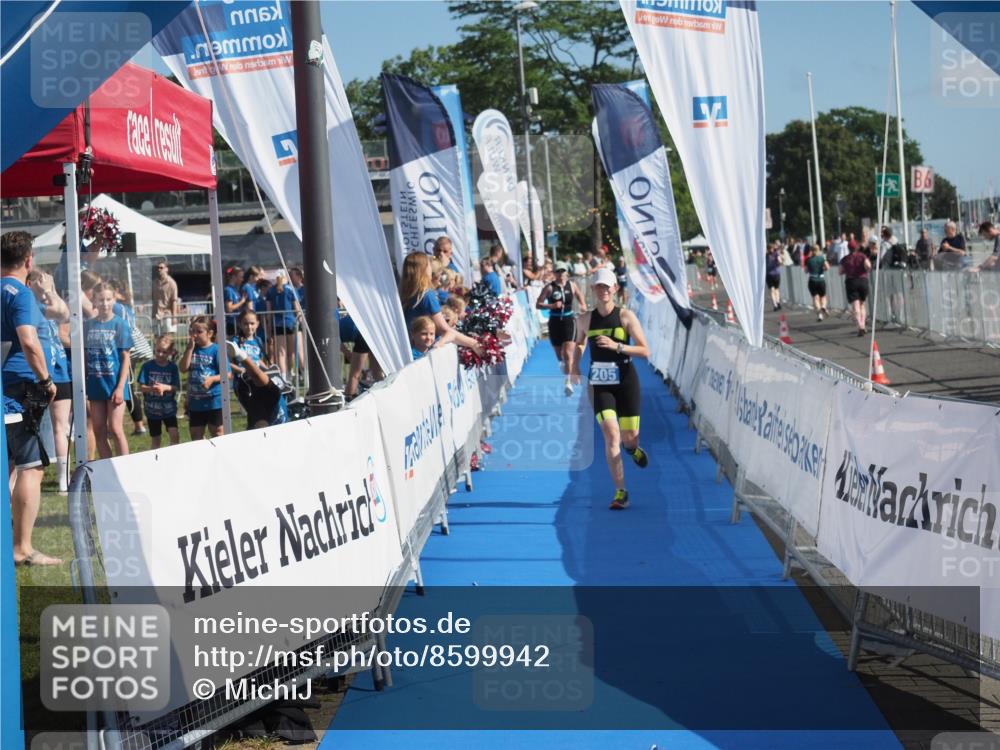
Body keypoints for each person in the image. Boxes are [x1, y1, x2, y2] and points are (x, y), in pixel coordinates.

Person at [2, 231, 61, 566]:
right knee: (31, 467)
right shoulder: (20, 294)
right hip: (21, 388)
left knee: (8, 464)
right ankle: (22, 547)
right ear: (28, 259)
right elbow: (28, 340)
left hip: (5, 386)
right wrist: (46, 380)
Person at [572, 268, 650, 510]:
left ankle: (633, 449)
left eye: (607, 286)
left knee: (629, 438)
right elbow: (579, 344)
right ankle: (620, 492)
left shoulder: (625, 316)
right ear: (593, 290)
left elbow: (645, 350)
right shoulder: (585, 319)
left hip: (626, 380)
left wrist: (618, 346)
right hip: (599, 383)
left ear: (615, 289)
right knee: (611, 435)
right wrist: (574, 366)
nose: (603, 290)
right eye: (599, 286)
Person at [26, 270, 72, 492]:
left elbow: (65, 314)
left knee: (60, 427)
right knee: (30, 428)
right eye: (40, 282)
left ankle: (64, 479)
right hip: (41, 372)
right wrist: (45, 291)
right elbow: (59, 311)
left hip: (60, 370)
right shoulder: (31, 305)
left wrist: (51, 290)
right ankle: (26, 475)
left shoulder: (48, 301)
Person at [399, 252, 483, 357]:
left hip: (407, 352)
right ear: (424, 269)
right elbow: (445, 330)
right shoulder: (426, 295)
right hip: (422, 355)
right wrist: (473, 343)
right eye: (428, 265)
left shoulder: (404, 295)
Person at [84, 283, 133, 458]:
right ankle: (107, 466)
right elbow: (85, 355)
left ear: (114, 300)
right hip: (96, 383)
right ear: (94, 301)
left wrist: (120, 387)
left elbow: (126, 357)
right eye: (101, 299)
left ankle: (124, 466)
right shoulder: (88, 325)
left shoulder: (120, 324)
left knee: (115, 428)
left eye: (108, 299)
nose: (104, 303)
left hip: (114, 383)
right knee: (98, 429)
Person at [228, 311, 288, 429]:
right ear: (240, 324)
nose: (249, 326)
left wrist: (268, 369)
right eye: (245, 324)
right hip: (244, 382)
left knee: (264, 412)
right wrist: (241, 370)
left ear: (257, 324)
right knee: (256, 412)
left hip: (258, 380)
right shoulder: (235, 341)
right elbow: (228, 363)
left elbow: (258, 360)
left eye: (252, 323)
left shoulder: (258, 340)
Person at [536, 262, 586, 396]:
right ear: (554, 273)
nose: (561, 274)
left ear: (566, 272)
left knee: (569, 353)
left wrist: (582, 305)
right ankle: (565, 366)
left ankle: (568, 382)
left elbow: (580, 295)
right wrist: (551, 306)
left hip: (569, 321)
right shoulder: (549, 287)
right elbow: (538, 304)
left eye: (563, 271)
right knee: (560, 355)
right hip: (554, 322)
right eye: (558, 271)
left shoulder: (572, 285)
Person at [180, 316, 224, 440]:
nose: (195, 335)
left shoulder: (216, 350)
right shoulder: (192, 350)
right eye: (192, 331)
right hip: (196, 402)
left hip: (214, 401)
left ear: (210, 333)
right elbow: (183, 368)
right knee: (196, 436)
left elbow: (228, 374)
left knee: (217, 433)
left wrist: (212, 379)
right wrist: (189, 349)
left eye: (199, 332)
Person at [138, 335, 181, 449]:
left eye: (164, 352)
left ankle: (174, 455)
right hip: (152, 410)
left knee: (174, 434)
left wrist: (164, 387)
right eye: (158, 351)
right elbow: (141, 387)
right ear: (154, 349)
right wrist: (152, 389)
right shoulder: (147, 366)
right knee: (156, 439)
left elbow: (176, 387)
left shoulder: (173, 367)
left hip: (169, 410)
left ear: (171, 352)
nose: (160, 354)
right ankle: (155, 458)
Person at [265, 271, 300, 380]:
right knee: (291, 352)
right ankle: (289, 375)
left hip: (277, 324)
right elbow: (297, 309)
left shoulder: (270, 291)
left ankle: (283, 377)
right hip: (290, 323)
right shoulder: (290, 289)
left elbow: (269, 312)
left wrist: (269, 328)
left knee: (281, 353)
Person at [840, 241, 873, 336]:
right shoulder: (862, 256)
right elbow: (868, 266)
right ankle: (863, 324)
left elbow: (840, 271)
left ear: (848, 248)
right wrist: (866, 270)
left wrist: (847, 270)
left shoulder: (845, 259)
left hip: (851, 281)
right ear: (857, 247)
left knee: (855, 306)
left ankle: (860, 326)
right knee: (862, 304)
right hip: (863, 280)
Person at [152, 261, 179, 335]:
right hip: (156, 315)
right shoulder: (154, 283)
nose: (159, 269)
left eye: (161, 268)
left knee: (167, 338)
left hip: (167, 315)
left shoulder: (172, 283)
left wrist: (174, 317)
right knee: (156, 338)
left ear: (166, 269)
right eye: (158, 268)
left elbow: (174, 301)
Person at [805, 244, 830, 321]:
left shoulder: (808, 260)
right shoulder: (822, 258)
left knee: (815, 298)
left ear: (811, 251)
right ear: (818, 250)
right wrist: (823, 269)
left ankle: (820, 316)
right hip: (821, 280)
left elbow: (806, 271)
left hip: (812, 280)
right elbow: (827, 267)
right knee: (823, 296)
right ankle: (823, 306)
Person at [223, 266, 248, 337]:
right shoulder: (228, 290)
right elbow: (229, 308)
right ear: (234, 277)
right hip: (232, 322)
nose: (242, 279)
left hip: (237, 322)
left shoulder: (234, 289)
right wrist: (242, 302)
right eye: (240, 277)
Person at [765, 244, 783, 311]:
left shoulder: (767, 255)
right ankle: (776, 303)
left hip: (771, 274)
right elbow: (780, 261)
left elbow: (780, 261)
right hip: (774, 274)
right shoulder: (775, 254)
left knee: (773, 290)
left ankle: (776, 303)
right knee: (775, 289)